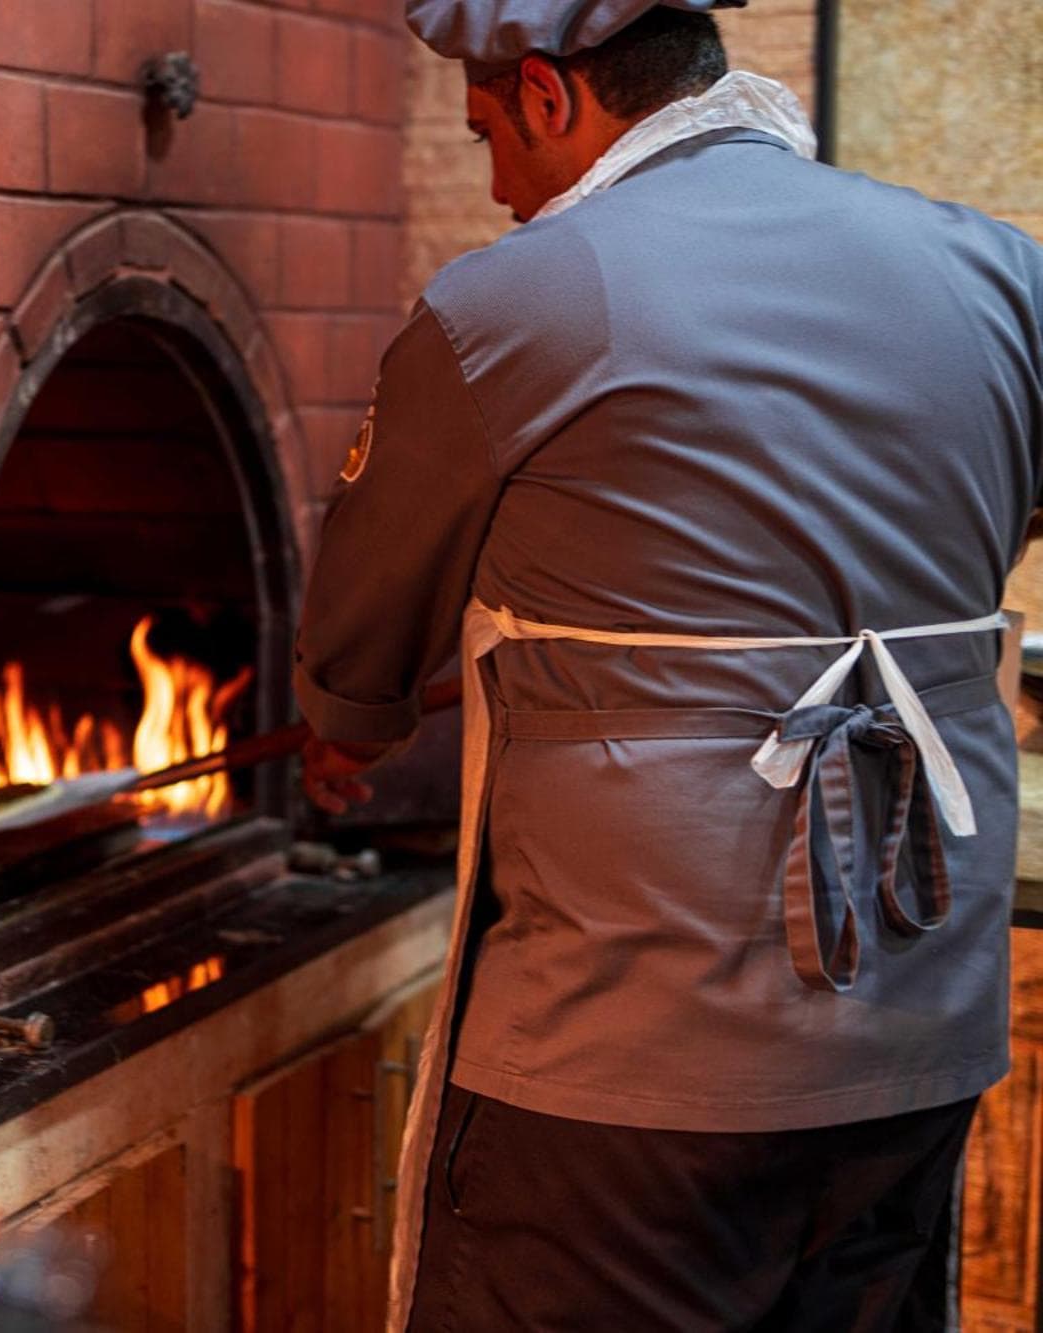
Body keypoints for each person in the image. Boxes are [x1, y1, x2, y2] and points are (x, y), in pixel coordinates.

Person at [293, 1, 1043, 1329]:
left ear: (547, 95)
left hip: (635, 1036)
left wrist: (346, 728)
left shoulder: (511, 301)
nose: (499, 189)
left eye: (487, 136)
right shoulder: (1001, 269)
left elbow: (359, 646)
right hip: (922, 1015)